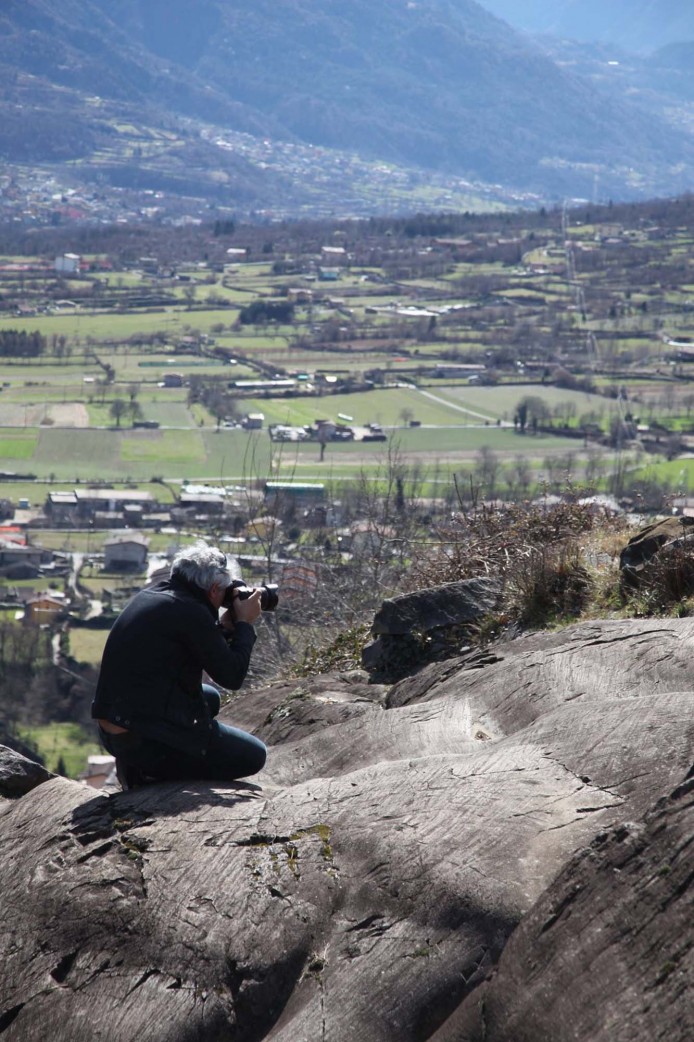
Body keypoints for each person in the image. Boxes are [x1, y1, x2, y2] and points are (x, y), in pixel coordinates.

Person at [92, 541, 267, 789]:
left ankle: (137, 764)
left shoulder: (155, 596)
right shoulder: (192, 613)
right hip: (142, 740)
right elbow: (232, 676)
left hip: (114, 728)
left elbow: (192, 644)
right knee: (255, 755)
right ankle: (149, 773)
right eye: (226, 591)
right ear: (214, 589)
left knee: (210, 698)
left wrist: (225, 628)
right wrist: (245, 625)